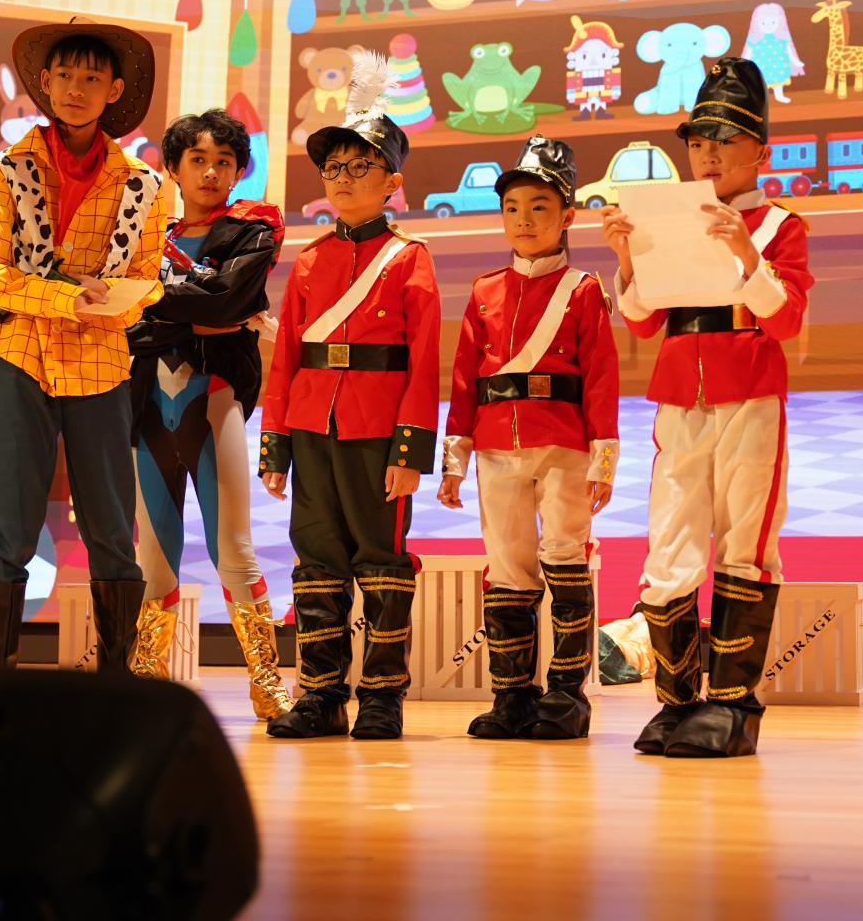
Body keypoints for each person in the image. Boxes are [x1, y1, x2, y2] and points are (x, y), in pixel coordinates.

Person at [599, 55, 814, 758]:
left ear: (761, 152)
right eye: (698, 141)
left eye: (725, 139)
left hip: (750, 392)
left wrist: (748, 256)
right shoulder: (671, 217)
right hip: (678, 395)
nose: (709, 153)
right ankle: (677, 701)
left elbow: (785, 320)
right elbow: (641, 323)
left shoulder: (779, 224)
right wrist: (627, 261)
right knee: (669, 545)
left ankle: (732, 706)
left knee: (746, 542)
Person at [0, 20, 167, 673]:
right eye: (64, 76)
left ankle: (117, 680)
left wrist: (114, 299)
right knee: (7, 530)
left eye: (91, 77)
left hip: (101, 364)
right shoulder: (7, 171)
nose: (76, 89)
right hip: (19, 357)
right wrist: (63, 296)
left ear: (115, 90)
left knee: (111, 529)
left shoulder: (144, 184)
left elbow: (149, 279)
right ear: (44, 83)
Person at [258, 59, 441, 740]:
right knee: (316, 559)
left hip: (377, 428)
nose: (341, 178)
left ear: (392, 183)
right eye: (333, 167)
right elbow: (286, 357)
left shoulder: (410, 258)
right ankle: (320, 695)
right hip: (312, 424)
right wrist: (275, 443)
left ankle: (383, 697)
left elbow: (423, 362)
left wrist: (410, 450)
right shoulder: (309, 260)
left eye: (360, 166)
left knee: (382, 561)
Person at [438, 136, 619, 741]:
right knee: (508, 569)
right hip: (495, 446)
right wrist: (454, 460)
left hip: (565, 444)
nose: (524, 219)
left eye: (539, 207)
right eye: (512, 207)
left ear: (567, 215)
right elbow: (464, 378)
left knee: (565, 561)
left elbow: (601, 378)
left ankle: (566, 696)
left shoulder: (583, 290)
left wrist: (603, 460)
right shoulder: (484, 290)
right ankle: (511, 696)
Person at [127, 107, 292, 720]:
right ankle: (144, 688)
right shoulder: (142, 236)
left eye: (224, 161)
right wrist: (193, 313)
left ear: (239, 170)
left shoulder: (254, 230)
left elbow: (226, 302)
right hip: (145, 406)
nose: (211, 172)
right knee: (152, 557)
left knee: (235, 549)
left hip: (215, 400)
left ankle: (267, 684)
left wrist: (155, 306)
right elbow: (125, 322)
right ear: (172, 167)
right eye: (197, 159)